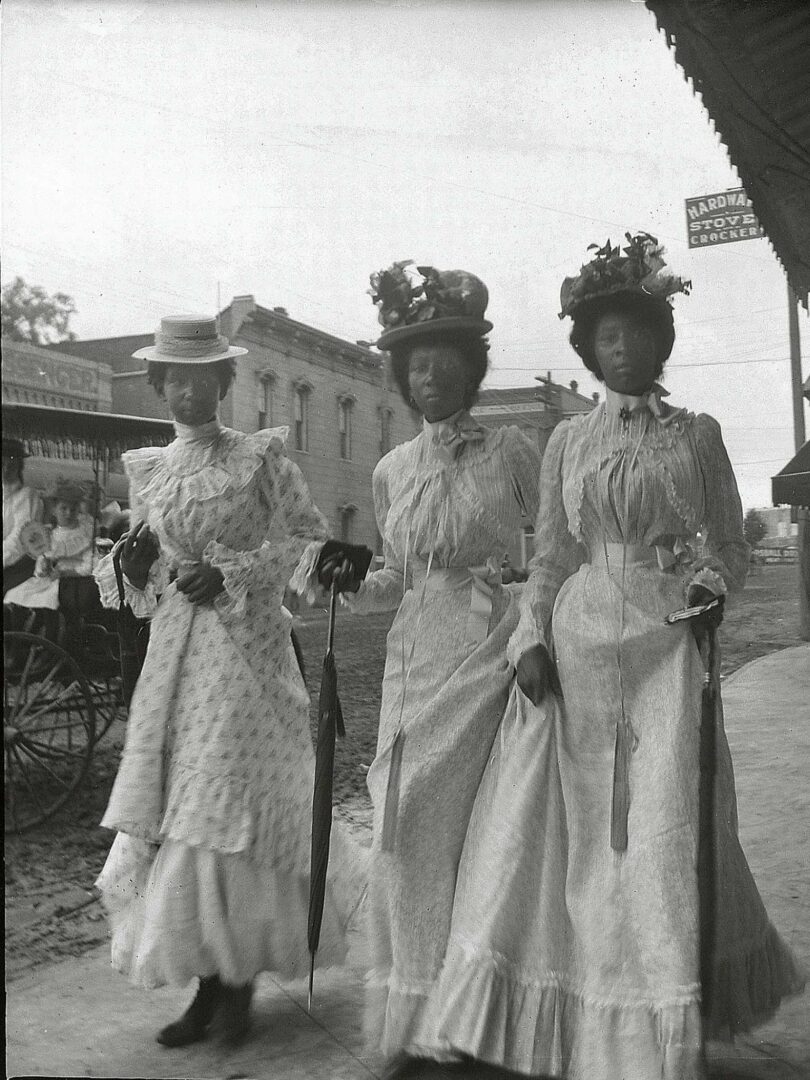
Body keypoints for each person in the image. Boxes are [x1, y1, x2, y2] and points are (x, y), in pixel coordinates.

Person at [427, 235, 804, 1079]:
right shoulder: (567, 442)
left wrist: (709, 585)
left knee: (663, 828)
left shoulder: (697, 435)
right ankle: (581, 1017)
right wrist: (529, 637)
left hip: (670, 640)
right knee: (579, 833)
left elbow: (730, 547)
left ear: (660, 341)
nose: (621, 348)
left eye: (635, 332)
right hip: (581, 639)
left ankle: (655, 1035)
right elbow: (552, 556)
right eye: (605, 337)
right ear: (587, 350)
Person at [92, 315, 370, 1049]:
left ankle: (238, 980)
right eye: (174, 378)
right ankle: (204, 981)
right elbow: (145, 574)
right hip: (175, 655)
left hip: (245, 649)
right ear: (159, 385)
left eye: (203, 377)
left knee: (229, 802)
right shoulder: (148, 467)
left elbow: (307, 542)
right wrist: (135, 567)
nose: (188, 390)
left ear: (224, 383)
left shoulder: (261, 456)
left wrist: (235, 571)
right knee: (183, 808)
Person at [320, 263, 542, 1077]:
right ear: (402, 380)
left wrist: (533, 618)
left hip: (493, 651)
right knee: (407, 829)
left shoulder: (513, 451)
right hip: (416, 657)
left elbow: (555, 546)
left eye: (445, 363)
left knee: (485, 831)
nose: (430, 378)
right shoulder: (391, 471)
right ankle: (418, 1014)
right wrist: (343, 571)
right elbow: (396, 577)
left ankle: (480, 1016)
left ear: (470, 371)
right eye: (416, 367)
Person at [4, 479, 93, 622]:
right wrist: (42, 569)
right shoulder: (50, 534)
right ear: (54, 510)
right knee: (15, 593)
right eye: (63, 508)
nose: (69, 513)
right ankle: (23, 630)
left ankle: (48, 633)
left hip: (70, 580)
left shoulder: (84, 534)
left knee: (48, 602)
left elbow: (89, 565)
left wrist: (65, 573)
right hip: (48, 580)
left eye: (73, 509)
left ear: (78, 510)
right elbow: (42, 558)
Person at [3, 437, 44, 596]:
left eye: (11, 461)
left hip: (19, 564)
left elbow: (20, 538)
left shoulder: (27, 496)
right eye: (2, 462)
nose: (6, 468)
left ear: (19, 465)